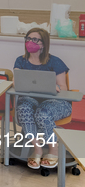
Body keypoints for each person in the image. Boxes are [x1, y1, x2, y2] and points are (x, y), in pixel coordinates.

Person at [14, 28, 71, 169]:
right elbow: (17, 82)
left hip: (55, 102)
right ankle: (37, 148)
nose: (30, 42)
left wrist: (56, 87)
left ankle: (53, 148)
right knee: (23, 108)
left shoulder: (55, 62)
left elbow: (64, 88)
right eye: (28, 39)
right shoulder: (20, 61)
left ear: (43, 44)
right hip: (30, 100)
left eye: (35, 39)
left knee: (42, 112)